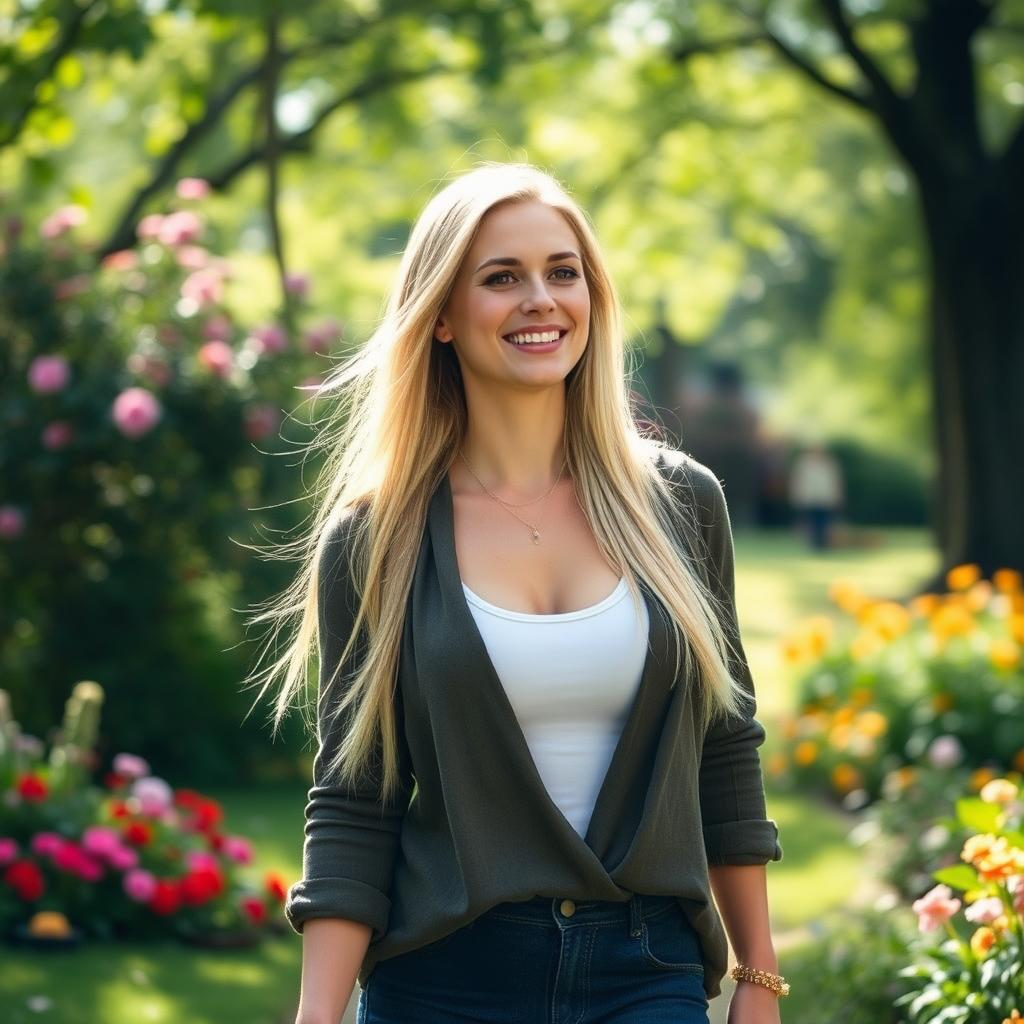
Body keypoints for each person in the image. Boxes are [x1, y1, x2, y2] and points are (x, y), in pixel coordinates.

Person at [245, 162, 786, 1024]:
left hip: (646, 973)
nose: (541, 298)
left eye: (562, 272)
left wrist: (759, 978)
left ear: (591, 298)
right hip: (443, 978)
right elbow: (355, 797)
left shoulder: (683, 505)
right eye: (502, 278)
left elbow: (725, 748)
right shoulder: (378, 537)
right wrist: (317, 1017)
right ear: (444, 318)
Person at [788, 442, 844, 550]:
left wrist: (838, 496)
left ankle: (822, 543)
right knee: (811, 522)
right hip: (809, 497)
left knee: (824, 522)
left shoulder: (829, 463)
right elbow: (798, 481)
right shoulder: (803, 463)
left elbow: (836, 481)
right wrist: (797, 495)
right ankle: (814, 543)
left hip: (825, 498)